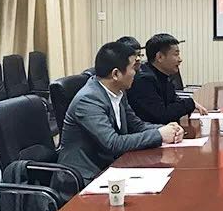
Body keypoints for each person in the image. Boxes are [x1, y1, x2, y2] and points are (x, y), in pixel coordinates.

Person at [58, 42, 182, 183]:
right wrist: (159, 135)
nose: (136, 72)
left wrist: (167, 129)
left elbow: (137, 126)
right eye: (133, 68)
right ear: (116, 74)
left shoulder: (118, 92)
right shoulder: (88, 100)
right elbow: (113, 143)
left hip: (111, 168)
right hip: (83, 178)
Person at [127, 33, 207, 124]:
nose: (180, 59)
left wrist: (188, 104)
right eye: (176, 54)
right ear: (160, 57)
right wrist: (189, 104)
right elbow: (162, 116)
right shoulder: (144, 80)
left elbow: (173, 101)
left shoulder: (164, 75)